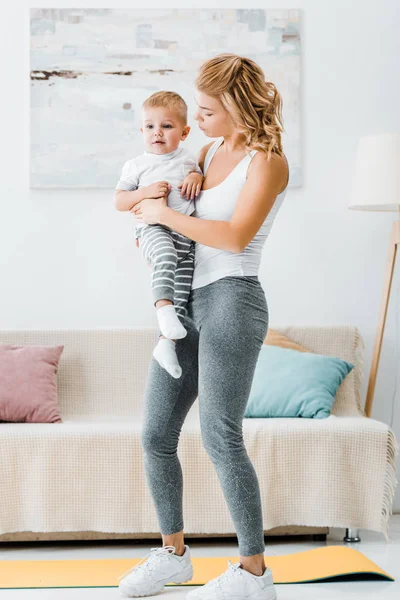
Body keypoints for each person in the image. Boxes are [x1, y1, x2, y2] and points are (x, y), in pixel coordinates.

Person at [118, 53, 289, 600]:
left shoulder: (267, 161)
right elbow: (165, 194)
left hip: (234, 299)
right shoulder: (208, 151)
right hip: (188, 300)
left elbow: (235, 237)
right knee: (155, 434)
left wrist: (163, 215)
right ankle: (173, 556)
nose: (199, 117)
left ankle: (254, 573)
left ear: (238, 107)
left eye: (208, 110)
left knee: (219, 433)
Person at [113, 91, 204, 378]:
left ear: (185, 131)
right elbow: (119, 201)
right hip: (152, 229)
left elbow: (199, 178)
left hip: (185, 236)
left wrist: (196, 177)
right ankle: (162, 309)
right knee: (164, 256)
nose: (157, 133)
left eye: (167, 126)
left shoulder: (189, 160)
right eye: (150, 127)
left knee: (184, 288)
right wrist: (144, 193)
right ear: (142, 131)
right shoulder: (137, 165)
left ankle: (166, 343)